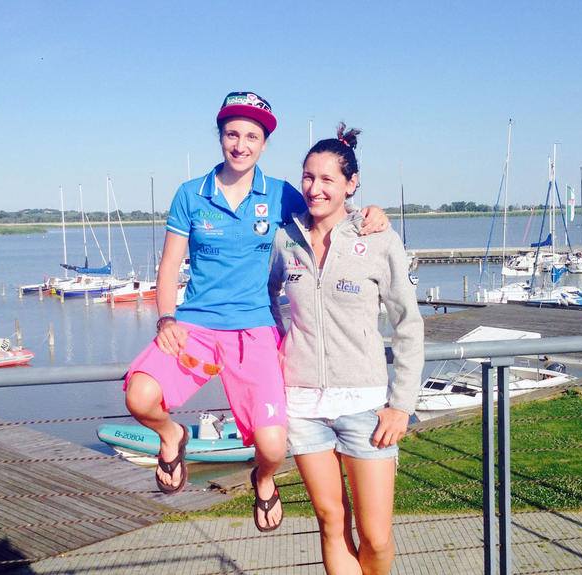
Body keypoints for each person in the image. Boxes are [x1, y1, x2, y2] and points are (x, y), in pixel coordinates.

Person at [123, 92, 389, 532]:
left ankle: (263, 480)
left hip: (256, 331)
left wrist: (370, 213)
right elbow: (170, 264)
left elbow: (330, 213)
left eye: (251, 136)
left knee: (272, 447)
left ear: (264, 144)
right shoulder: (191, 194)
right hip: (195, 325)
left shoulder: (282, 194)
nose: (240, 144)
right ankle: (172, 435)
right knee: (140, 397)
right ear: (221, 137)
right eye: (232, 133)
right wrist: (166, 318)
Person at [268, 123, 424, 573]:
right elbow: (263, 297)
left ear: (351, 184)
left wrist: (402, 405)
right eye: (308, 178)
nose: (314, 189)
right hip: (302, 406)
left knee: (376, 536)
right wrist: (279, 344)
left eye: (327, 179)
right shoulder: (286, 239)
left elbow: (408, 326)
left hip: (366, 408)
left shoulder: (378, 240)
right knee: (331, 521)